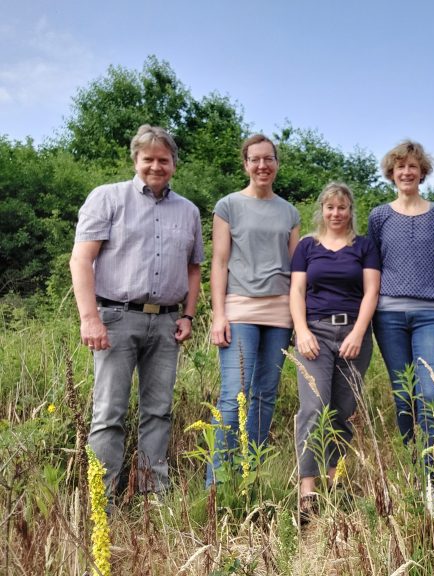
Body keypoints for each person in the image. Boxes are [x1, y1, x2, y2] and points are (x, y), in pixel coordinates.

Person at [70, 124, 204, 497]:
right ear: (136, 160)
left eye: (164, 160)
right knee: (109, 413)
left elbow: (194, 268)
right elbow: (81, 259)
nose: (156, 166)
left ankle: (152, 498)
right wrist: (89, 318)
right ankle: (102, 501)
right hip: (115, 318)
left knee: (158, 411)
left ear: (174, 163)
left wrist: (188, 315)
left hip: (166, 322)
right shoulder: (107, 198)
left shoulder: (188, 211)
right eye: (148, 159)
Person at [208, 134, 300, 484]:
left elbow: (296, 270)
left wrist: (298, 320)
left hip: (279, 313)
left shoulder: (289, 212)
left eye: (269, 159)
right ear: (245, 164)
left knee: (264, 396)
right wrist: (219, 315)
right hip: (240, 309)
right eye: (255, 159)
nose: (263, 165)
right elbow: (219, 263)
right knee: (235, 396)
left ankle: (250, 477)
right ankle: (217, 485)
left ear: (277, 163)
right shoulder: (228, 206)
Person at [290, 182, 381, 522]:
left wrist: (358, 332)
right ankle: (308, 489)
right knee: (314, 408)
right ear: (322, 211)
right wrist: (301, 331)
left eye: (342, 207)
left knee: (342, 410)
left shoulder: (364, 246)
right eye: (330, 207)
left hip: (354, 335)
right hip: (315, 333)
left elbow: (371, 292)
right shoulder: (307, 246)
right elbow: (297, 290)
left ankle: (336, 482)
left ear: (350, 210)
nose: (336, 213)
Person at [367, 140, 434, 474]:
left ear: (422, 172)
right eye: (400, 166)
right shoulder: (379, 216)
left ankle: (432, 472)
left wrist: (427, 290)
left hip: (431, 314)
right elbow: (373, 265)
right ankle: (412, 467)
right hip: (388, 316)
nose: (406, 172)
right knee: (403, 394)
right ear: (392, 172)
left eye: (412, 166)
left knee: (430, 393)